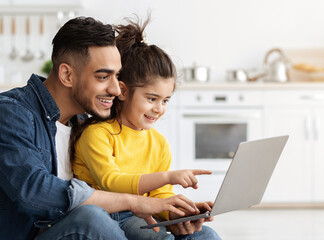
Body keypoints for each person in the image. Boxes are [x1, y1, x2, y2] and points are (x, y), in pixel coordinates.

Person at [0, 16, 199, 240]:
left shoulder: (86, 121)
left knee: (200, 235)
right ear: (67, 75)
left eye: (116, 76)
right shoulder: (11, 113)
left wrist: (175, 213)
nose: (116, 89)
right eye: (103, 76)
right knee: (91, 218)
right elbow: (35, 192)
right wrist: (133, 202)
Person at [71, 17, 221, 239]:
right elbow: (111, 182)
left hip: (145, 215)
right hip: (110, 216)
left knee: (206, 235)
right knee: (159, 237)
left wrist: (178, 214)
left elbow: (160, 196)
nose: (159, 109)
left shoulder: (158, 143)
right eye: (152, 98)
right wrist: (168, 176)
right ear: (122, 91)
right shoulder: (97, 134)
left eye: (165, 100)